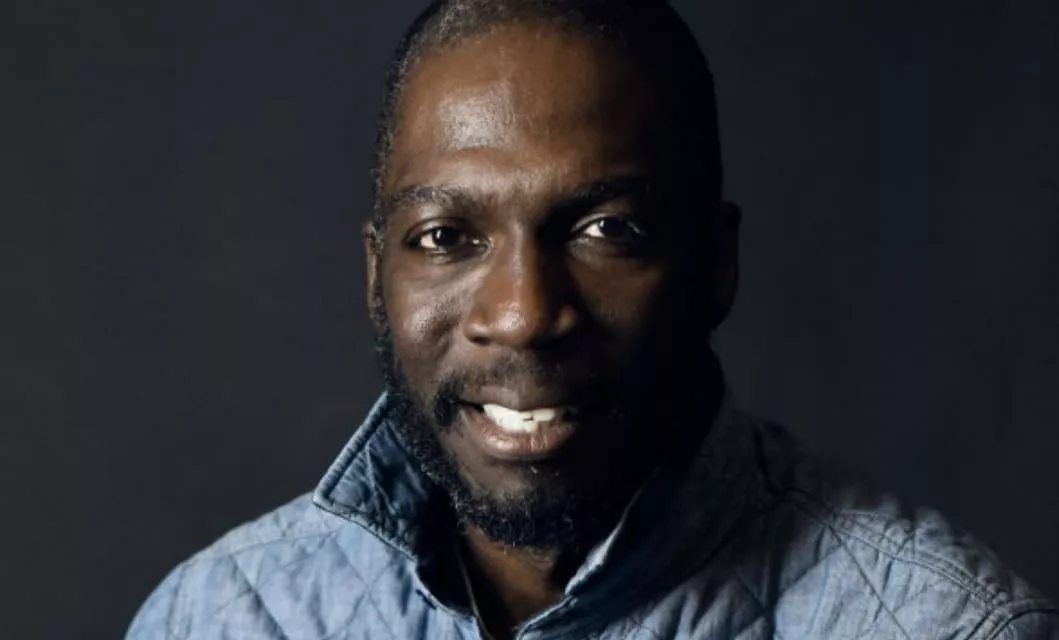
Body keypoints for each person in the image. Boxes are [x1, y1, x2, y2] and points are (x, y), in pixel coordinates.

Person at [127, 0, 1057, 638]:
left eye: (608, 229)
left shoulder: (947, 629)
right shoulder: (219, 618)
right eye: (446, 236)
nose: (524, 315)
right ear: (378, 278)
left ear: (715, 266)